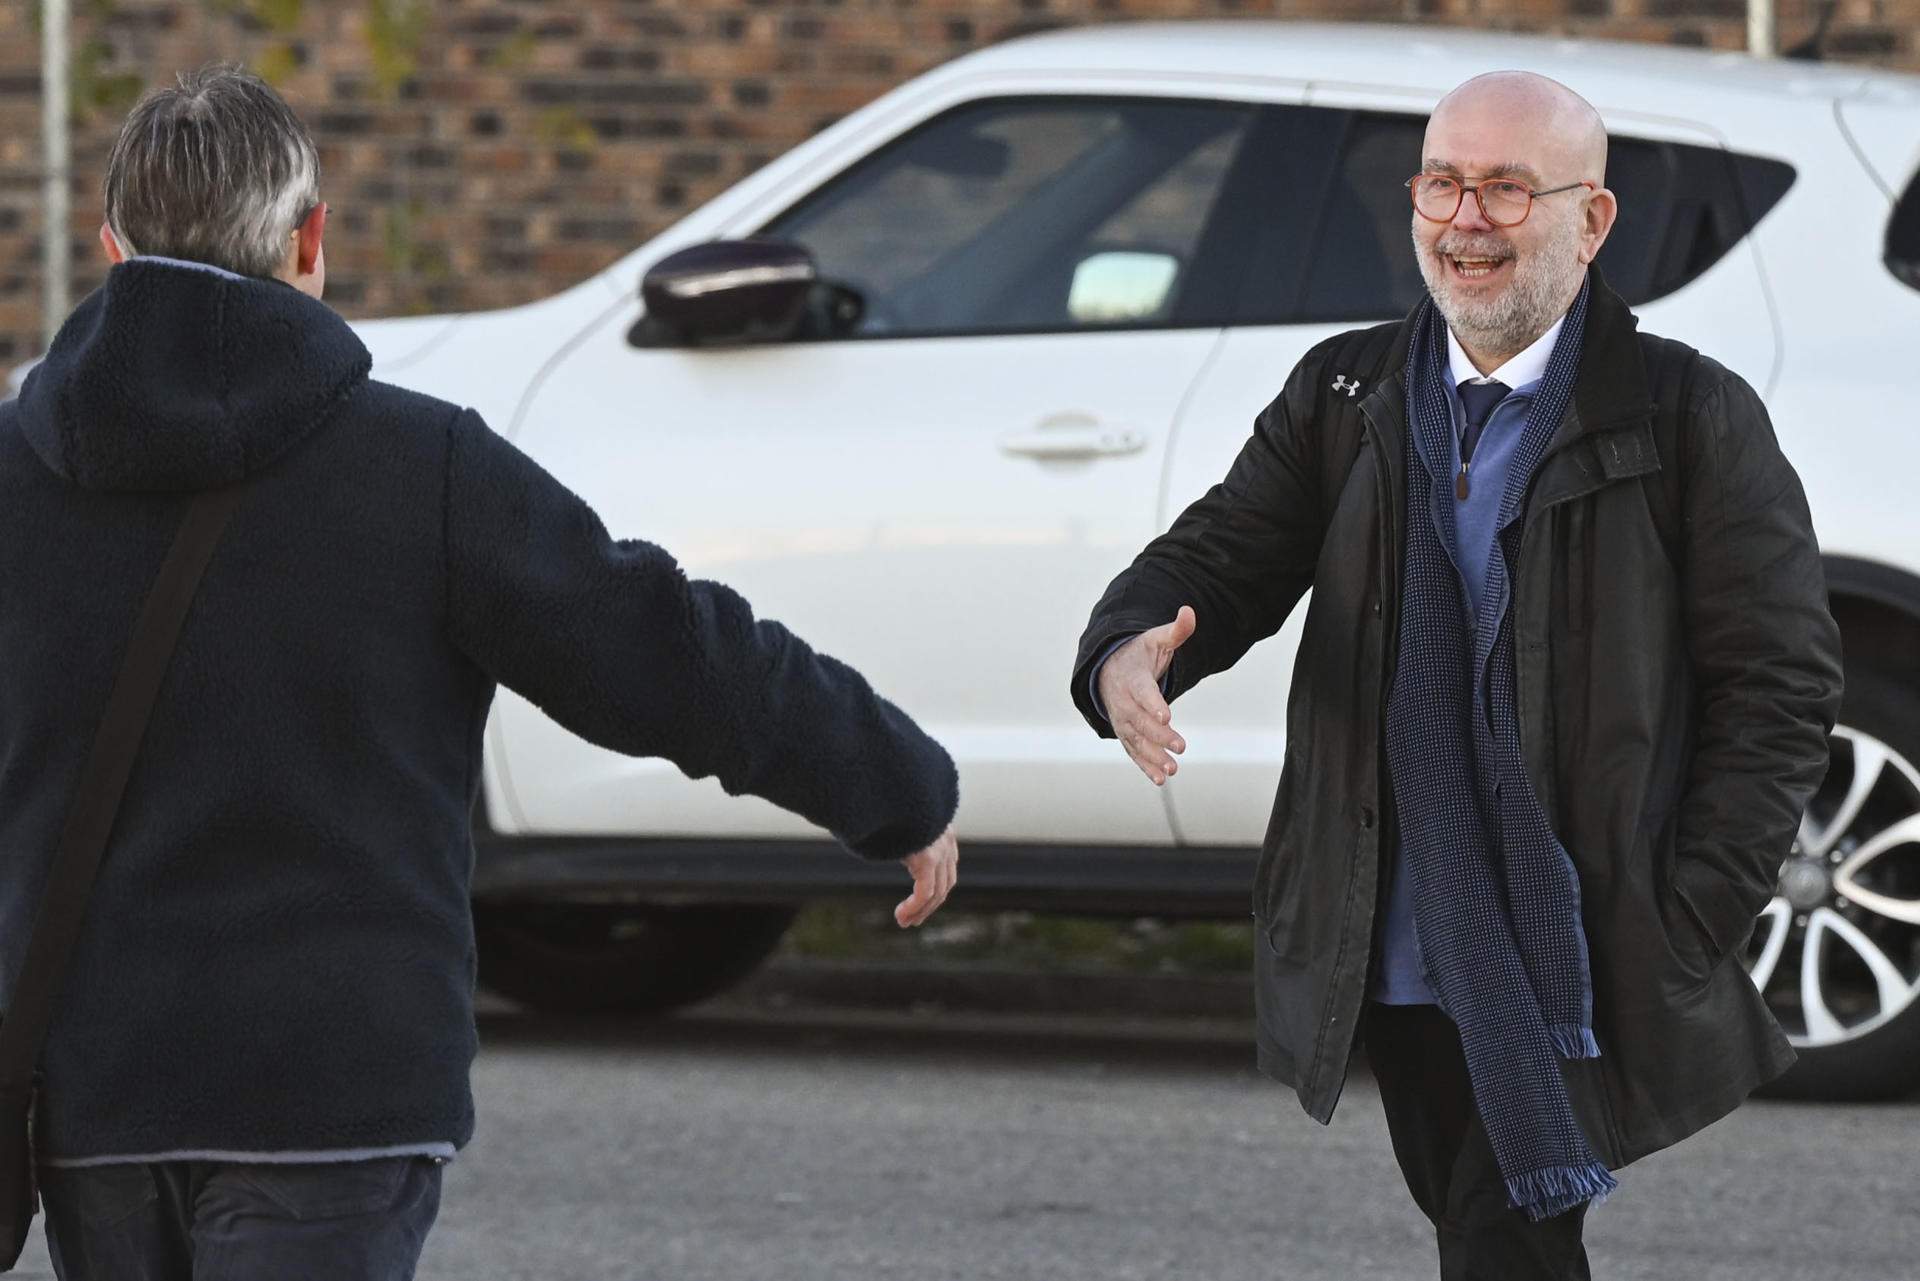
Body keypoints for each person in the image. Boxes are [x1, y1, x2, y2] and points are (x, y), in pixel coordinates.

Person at [0, 66, 960, 1280]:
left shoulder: (16, 477)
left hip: (96, 1090)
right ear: (312, 240)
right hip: (335, 1089)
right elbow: (659, 650)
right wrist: (892, 781)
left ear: (111, 246)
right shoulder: (424, 466)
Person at [1070, 70, 1841, 1279]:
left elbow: (1782, 686)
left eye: (1504, 188)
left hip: (1581, 937)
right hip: (1395, 927)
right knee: (1479, 1234)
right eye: (1442, 182)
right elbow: (1222, 557)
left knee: (1501, 1239)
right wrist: (1129, 645)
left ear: (1590, 221)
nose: (1465, 219)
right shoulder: (1347, 391)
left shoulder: (1689, 414)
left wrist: (1690, 910)